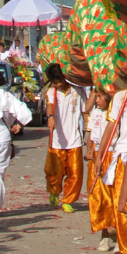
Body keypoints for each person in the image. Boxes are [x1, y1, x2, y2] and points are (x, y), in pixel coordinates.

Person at [95, 77, 127, 254]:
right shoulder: (120, 96)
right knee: (122, 205)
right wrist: (99, 156)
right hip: (123, 154)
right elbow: (111, 126)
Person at [44, 63, 87, 213]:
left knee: (75, 173)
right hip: (57, 139)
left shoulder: (78, 91)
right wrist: (50, 117)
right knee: (55, 171)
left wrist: (89, 130)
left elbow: (85, 111)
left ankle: (68, 200)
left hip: (74, 138)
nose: (56, 85)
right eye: (54, 83)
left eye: (58, 82)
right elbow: (49, 105)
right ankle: (54, 192)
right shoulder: (51, 92)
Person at [0, 69, 31, 217]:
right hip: (2, 136)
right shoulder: (5, 96)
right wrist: (19, 125)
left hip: (2, 134)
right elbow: (25, 113)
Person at [86, 88, 115, 251]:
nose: (97, 100)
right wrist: (89, 149)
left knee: (113, 196)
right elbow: (91, 134)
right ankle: (104, 234)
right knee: (98, 196)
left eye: (99, 97)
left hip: (111, 155)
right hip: (97, 157)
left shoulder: (115, 113)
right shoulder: (96, 113)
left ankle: (118, 234)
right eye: (95, 96)